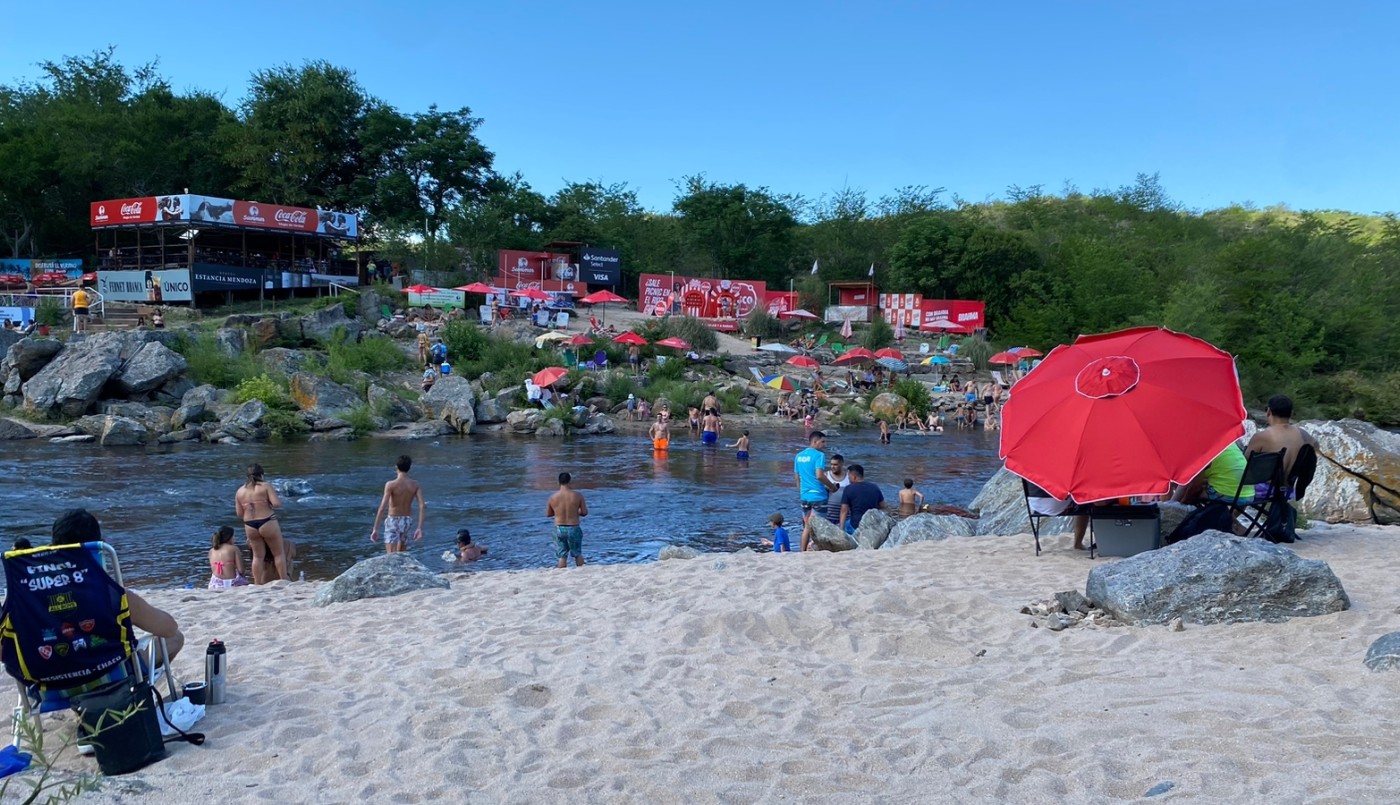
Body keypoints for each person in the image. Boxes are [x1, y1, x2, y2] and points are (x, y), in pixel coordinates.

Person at [51, 509, 184, 661]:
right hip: (111, 675)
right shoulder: (114, 596)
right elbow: (169, 629)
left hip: (53, 681)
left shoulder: (31, 600)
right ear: (99, 548)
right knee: (175, 638)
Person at [1244, 394, 1317, 485]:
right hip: (1287, 492)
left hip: (1263, 490)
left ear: (1268, 412)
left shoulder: (1262, 436)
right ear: (1291, 413)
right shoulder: (1305, 435)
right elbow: (1315, 446)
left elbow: (1244, 463)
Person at [235, 463, 289, 583]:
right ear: (262, 474)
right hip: (267, 521)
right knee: (278, 553)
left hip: (249, 524)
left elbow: (239, 513)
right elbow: (276, 504)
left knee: (257, 556)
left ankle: (257, 583)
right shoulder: (265, 486)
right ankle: (284, 580)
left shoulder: (240, 491)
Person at [371, 455, 426, 553]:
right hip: (406, 521)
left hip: (393, 520)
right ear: (409, 468)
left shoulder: (391, 485)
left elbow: (382, 508)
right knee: (401, 555)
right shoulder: (415, 484)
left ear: (396, 467)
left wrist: (375, 529)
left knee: (391, 555)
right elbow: (422, 506)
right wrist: (419, 528)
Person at [1174, 443, 1255, 507]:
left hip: (1228, 495)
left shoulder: (1201, 449)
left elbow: (1195, 486)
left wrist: (1182, 503)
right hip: (1249, 495)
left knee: (1192, 492)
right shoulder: (1228, 440)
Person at [546, 472, 588, 568]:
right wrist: (575, 512)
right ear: (569, 481)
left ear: (559, 482)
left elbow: (548, 514)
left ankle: (561, 576)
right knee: (577, 553)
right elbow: (584, 512)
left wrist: (558, 512)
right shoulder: (578, 496)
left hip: (559, 528)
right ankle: (582, 573)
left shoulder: (553, 497)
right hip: (573, 527)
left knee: (562, 556)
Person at [793, 431, 831, 522]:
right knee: (819, 527)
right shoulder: (819, 455)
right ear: (814, 441)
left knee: (807, 526)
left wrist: (801, 491)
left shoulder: (798, 456)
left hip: (804, 496)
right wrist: (832, 487)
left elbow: (796, 477)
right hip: (818, 496)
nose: (825, 445)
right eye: (822, 442)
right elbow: (819, 476)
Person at [839, 464, 886, 533]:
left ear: (854, 477)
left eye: (849, 477)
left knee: (842, 525)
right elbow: (883, 506)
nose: (848, 479)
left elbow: (844, 511)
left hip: (855, 526)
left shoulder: (848, 489)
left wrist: (841, 530)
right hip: (871, 524)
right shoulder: (875, 487)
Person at [207, 526, 247, 590]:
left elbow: (213, 570)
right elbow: (241, 570)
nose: (234, 538)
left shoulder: (211, 551)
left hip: (215, 585)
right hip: (232, 584)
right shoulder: (234, 549)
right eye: (233, 536)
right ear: (229, 537)